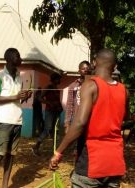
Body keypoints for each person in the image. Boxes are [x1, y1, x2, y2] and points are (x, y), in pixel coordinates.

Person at [49, 49, 128, 187]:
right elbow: (125, 118)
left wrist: (59, 152)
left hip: (91, 161)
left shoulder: (90, 85)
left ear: (93, 63)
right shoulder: (124, 91)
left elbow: (80, 123)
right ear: (115, 67)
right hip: (114, 162)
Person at [0, 48, 31, 188]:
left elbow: (18, 100)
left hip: (17, 119)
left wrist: (25, 97)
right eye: (18, 56)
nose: (20, 59)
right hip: (5, 120)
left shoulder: (19, 76)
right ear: (10, 58)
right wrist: (16, 96)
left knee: (11, 155)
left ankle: (5, 185)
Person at [32, 73, 63, 156]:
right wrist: (49, 103)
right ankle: (36, 146)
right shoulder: (49, 87)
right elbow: (39, 98)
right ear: (54, 79)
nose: (60, 80)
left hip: (57, 111)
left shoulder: (56, 88)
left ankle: (56, 150)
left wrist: (60, 107)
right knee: (47, 129)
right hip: (50, 111)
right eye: (58, 79)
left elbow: (57, 100)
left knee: (55, 130)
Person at [64, 61, 90, 134]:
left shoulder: (93, 84)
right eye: (83, 68)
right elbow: (69, 104)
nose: (85, 70)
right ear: (79, 71)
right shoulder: (73, 85)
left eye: (87, 68)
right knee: (79, 142)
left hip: (91, 120)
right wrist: (67, 124)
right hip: (77, 119)